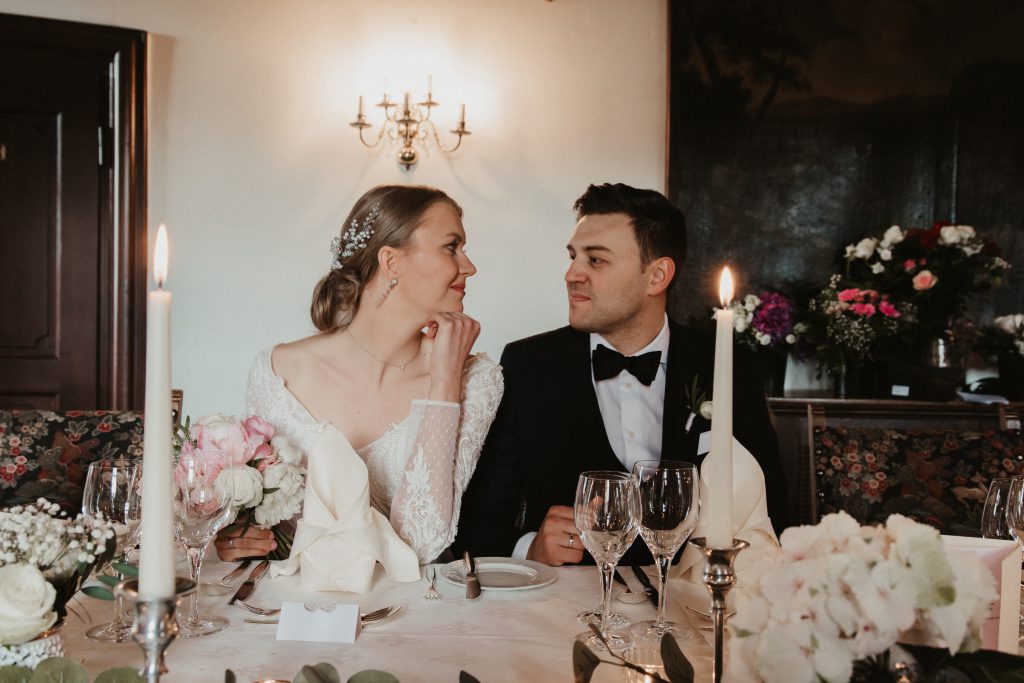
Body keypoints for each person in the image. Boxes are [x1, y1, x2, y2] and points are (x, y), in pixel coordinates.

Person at [454, 183, 786, 566]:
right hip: (564, 609)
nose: (572, 274)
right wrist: (530, 547)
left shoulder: (726, 367)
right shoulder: (528, 365)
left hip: (687, 607)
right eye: (573, 256)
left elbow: (771, 512)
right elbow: (477, 526)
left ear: (657, 275)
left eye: (596, 260)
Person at [217, 185, 503, 564]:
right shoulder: (278, 373)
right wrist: (237, 534)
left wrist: (444, 381)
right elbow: (266, 526)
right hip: (296, 608)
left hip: (415, 611)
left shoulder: (475, 380)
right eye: (452, 246)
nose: (469, 266)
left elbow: (421, 542)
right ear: (392, 262)